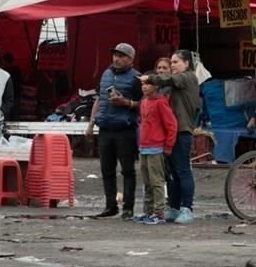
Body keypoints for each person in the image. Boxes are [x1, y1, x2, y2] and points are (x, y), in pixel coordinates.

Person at [142, 49, 200, 224]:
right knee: (172, 173)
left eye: (176, 62)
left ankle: (187, 208)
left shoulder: (187, 77)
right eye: (172, 62)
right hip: (170, 135)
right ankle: (174, 208)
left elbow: (169, 78)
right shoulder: (173, 85)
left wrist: (150, 78)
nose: (172, 66)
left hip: (182, 132)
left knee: (183, 171)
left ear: (186, 63)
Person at [85, 43, 142, 220]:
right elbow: (99, 99)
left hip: (125, 129)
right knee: (106, 170)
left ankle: (128, 208)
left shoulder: (137, 78)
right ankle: (110, 206)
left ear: (130, 59)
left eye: (121, 56)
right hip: (105, 128)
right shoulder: (106, 74)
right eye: (115, 55)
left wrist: (126, 103)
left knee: (127, 170)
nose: (116, 59)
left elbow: (144, 105)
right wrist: (91, 123)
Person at [135, 77, 177, 224]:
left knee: (156, 182)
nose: (144, 87)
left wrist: (168, 146)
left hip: (156, 147)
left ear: (156, 86)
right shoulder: (144, 102)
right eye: (142, 84)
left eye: (148, 84)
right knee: (147, 182)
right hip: (144, 147)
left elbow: (172, 125)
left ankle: (159, 213)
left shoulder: (160, 103)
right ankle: (148, 211)